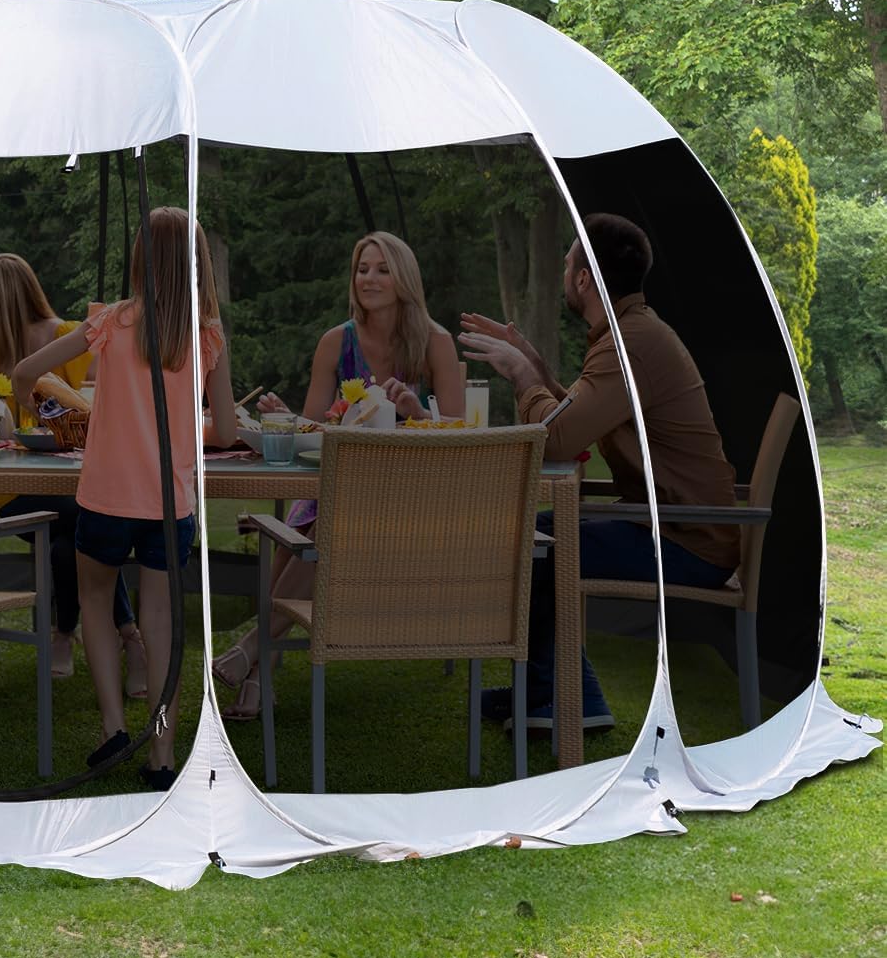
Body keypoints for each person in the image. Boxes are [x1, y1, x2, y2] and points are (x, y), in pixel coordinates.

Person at [459, 212, 739, 731]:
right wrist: (535, 362)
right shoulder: (629, 334)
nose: (565, 273)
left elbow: (558, 439)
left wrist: (522, 376)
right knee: (536, 533)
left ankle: (569, 697)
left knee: (539, 545)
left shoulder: (628, 342)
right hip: (679, 527)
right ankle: (548, 692)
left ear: (584, 277)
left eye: (568, 264)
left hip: (686, 542)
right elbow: (578, 417)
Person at [11, 209, 236, 790]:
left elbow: (27, 369)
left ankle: (113, 723)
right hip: (170, 505)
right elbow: (229, 427)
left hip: (106, 498)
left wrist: (35, 407)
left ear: (139, 258)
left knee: (94, 603)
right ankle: (160, 750)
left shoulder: (109, 323)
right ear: (198, 263)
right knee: (161, 625)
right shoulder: (206, 335)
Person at [212, 231, 464, 719]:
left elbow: (456, 434)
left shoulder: (436, 343)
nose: (369, 278)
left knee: (308, 534)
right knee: (307, 530)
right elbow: (315, 433)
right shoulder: (335, 342)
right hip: (338, 491)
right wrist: (290, 417)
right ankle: (256, 666)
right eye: (362, 268)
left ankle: (251, 650)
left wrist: (416, 413)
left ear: (404, 279)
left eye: (382, 269)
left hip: (410, 504)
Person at [0, 252, 144, 691]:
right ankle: (131, 637)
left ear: (1, 302)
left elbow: (103, 405)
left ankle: (65, 635)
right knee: (88, 519)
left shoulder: (67, 337)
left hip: (80, 484)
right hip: (16, 489)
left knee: (68, 539)